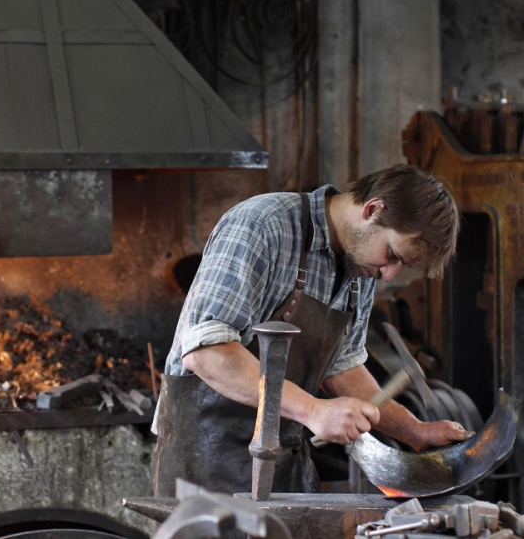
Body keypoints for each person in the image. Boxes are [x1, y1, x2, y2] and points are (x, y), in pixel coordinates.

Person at [152, 164, 471, 497]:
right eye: (392, 254)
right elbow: (205, 352)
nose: (389, 274)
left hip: (281, 460)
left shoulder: (360, 267)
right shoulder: (262, 225)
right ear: (373, 209)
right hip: (205, 459)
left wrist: (416, 432)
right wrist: (312, 409)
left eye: (402, 265)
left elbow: (342, 367)